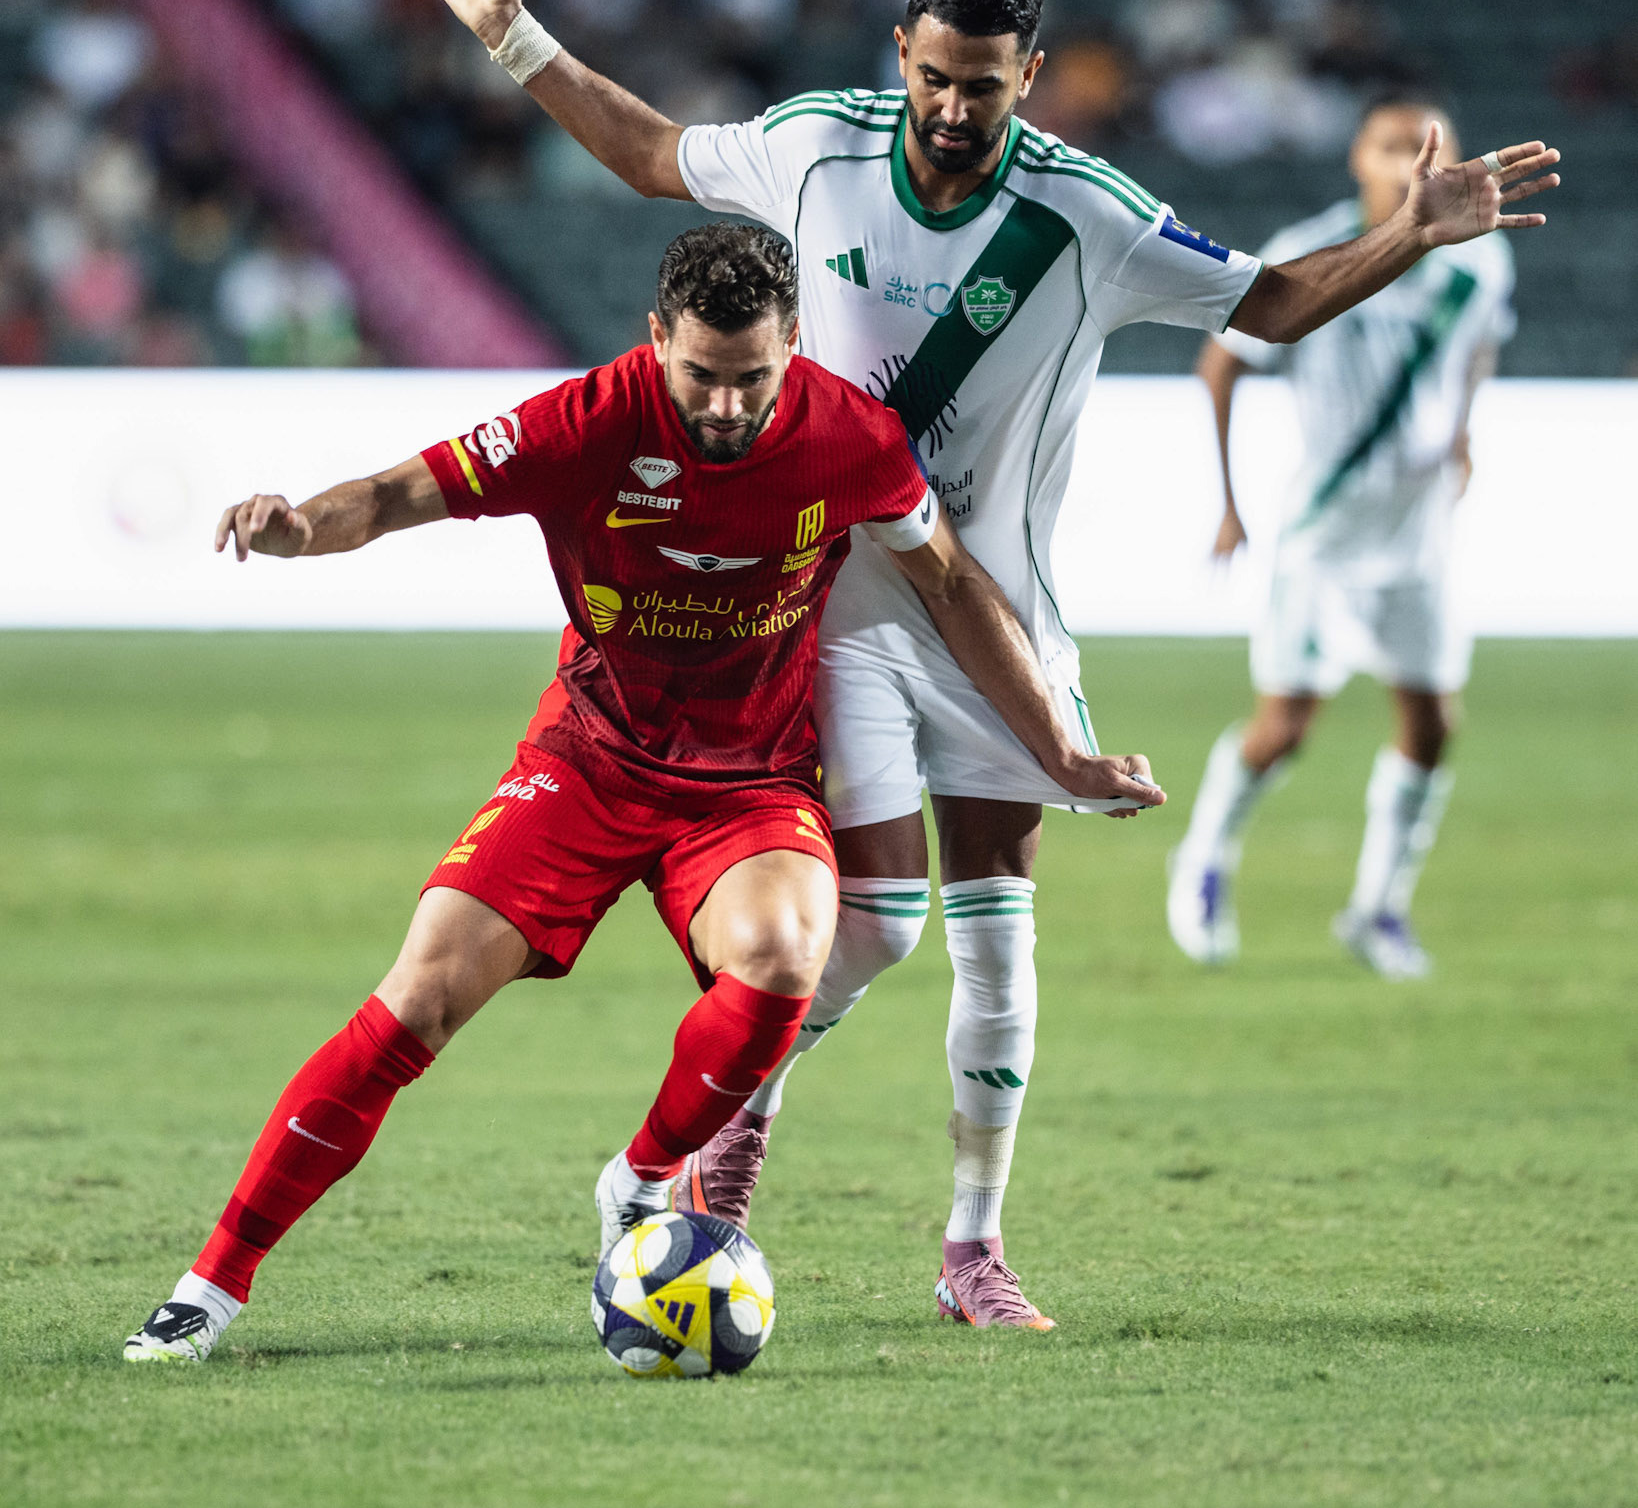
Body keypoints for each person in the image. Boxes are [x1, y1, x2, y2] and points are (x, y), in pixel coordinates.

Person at [413, 0, 1559, 1328]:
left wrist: (1407, 236)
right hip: (834, 605)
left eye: (986, 85)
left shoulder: (1087, 214)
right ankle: (717, 1137)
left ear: (1033, 74)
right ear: (900, 51)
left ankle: (972, 1250)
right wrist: (513, 38)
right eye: (935, 77)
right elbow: (651, 152)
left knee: (1000, 947)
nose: (955, 109)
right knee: (882, 923)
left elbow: (1264, 307)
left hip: (994, 615)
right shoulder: (814, 147)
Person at [123, 225, 1151, 1363]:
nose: (726, 404)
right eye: (701, 374)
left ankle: (646, 1177)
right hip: (587, 760)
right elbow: (399, 491)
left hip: (750, 782)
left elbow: (951, 582)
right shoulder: (586, 421)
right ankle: (210, 1285)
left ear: (793, 343)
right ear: (657, 337)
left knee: (785, 956)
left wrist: (1062, 754)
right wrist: (300, 528)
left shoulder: (851, 438)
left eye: (751, 376)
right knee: (417, 1000)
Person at [1167, 94, 1516, 980]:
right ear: (1358, 157)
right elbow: (1221, 362)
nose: (1412, 160)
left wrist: (1464, 432)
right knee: (1285, 728)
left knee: (1432, 724)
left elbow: (1479, 348)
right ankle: (1202, 859)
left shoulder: (1482, 259)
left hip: (1419, 533)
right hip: (1323, 534)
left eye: (1431, 144)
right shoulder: (1313, 247)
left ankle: (1377, 909)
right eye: (1393, 144)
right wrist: (1229, 502)